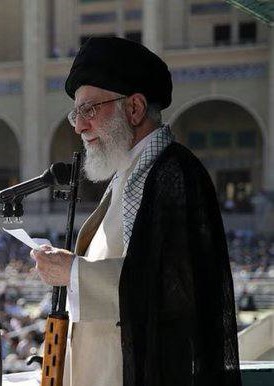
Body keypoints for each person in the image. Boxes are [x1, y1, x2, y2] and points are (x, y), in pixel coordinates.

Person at [31, 37, 241, 386]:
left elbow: (174, 289)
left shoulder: (171, 172)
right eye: (76, 113)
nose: (80, 127)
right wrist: (74, 267)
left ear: (134, 108)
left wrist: (74, 273)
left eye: (90, 110)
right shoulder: (129, 173)